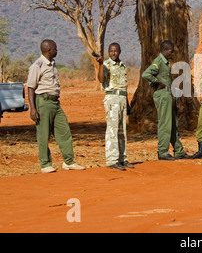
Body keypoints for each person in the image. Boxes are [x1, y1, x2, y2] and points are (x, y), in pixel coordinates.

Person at [27, 39, 85, 173]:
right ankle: (45, 164)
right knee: (43, 134)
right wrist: (33, 108)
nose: (57, 51)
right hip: (43, 101)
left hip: (55, 102)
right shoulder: (37, 65)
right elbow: (31, 87)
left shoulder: (52, 64)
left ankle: (69, 161)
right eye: (55, 49)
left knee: (64, 130)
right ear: (48, 50)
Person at [142, 40, 192, 161]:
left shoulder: (166, 62)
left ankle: (178, 151)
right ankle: (162, 151)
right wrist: (156, 82)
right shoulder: (159, 61)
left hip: (168, 94)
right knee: (165, 123)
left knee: (173, 123)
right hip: (162, 95)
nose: (172, 53)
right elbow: (146, 74)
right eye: (171, 51)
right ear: (164, 50)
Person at [96, 43, 133, 171]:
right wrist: (100, 64)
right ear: (108, 52)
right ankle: (112, 159)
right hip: (112, 98)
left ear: (120, 51)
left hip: (122, 98)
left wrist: (127, 105)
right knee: (113, 129)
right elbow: (101, 79)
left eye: (115, 51)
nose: (113, 53)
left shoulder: (122, 66)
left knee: (122, 130)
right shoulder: (106, 65)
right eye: (111, 51)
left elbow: (124, 86)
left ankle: (122, 158)